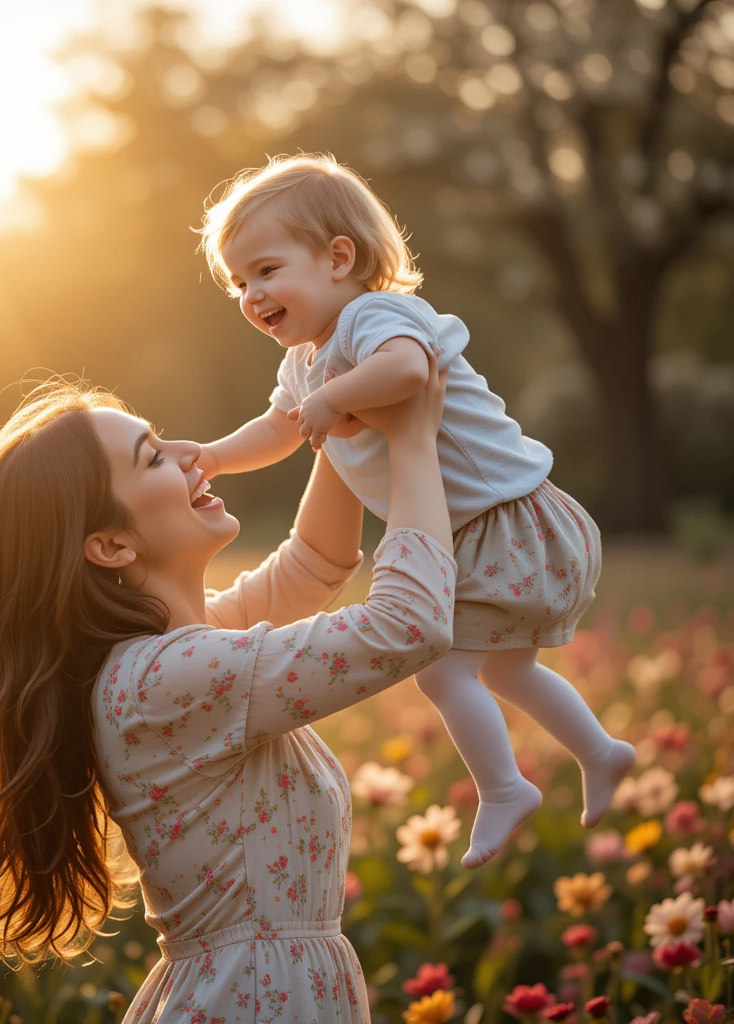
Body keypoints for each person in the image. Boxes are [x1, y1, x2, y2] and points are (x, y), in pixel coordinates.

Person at [0, 362, 454, 1022]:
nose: (189, 454)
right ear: (110, 545)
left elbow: (315, 563)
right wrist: (411, 437)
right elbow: (410, 624)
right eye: (153, 458)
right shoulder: (167, 679)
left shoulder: (171, 661)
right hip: (251, 1002)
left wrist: (342, 397)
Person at [196, 152, 635, 869]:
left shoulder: (379, 314)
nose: (251, 294)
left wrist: (336, 398)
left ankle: (503, 790)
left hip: (509, 520)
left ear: (340, 257)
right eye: (240, 282)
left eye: (267, 271)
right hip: (474, 532)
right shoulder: (306, 360)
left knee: (443, 672)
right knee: (502, 671)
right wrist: (214, 456)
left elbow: (407, 372)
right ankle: (601, 751)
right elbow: (281, 429)